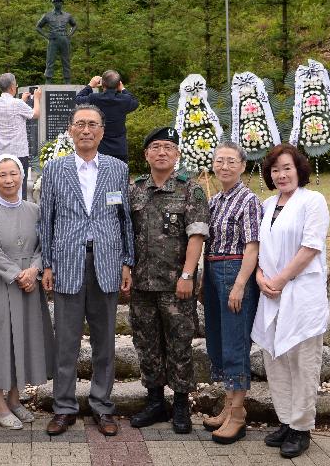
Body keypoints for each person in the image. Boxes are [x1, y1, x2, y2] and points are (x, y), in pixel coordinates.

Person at [39, 104, 134, 437]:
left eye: (92, 124)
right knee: (66, 341)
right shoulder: (54, 169)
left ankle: (102, 406)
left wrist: (127, 261)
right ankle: (64, 406)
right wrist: (47, 264)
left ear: (102, 131)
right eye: (80, 124)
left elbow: (125, 221)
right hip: (67, 263)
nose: (86, 130)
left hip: (106, 261)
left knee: (104, 341)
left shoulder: (118, 169)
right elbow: (45, 221)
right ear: (70, 130)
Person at [128, 127, 209, 434]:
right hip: (141, 285)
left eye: (168, 148)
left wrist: (188, 274)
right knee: (146, 345)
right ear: (146, 154)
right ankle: (154, 402)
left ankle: (180, 405)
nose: (161, 152)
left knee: (179, 346)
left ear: (177, 155)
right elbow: (126, 234)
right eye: (155, 147)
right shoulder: (134, 189)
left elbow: (197, 233)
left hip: (177, 285)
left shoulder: (191, 189)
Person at [252, 143, 330, 459]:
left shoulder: (313, 201)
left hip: (300, 294)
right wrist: (260, 277)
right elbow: (259, 246)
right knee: (276, 359)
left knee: (303, 362)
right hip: (270, 293)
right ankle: (285, 420)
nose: (281, 174)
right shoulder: (268, 204)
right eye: (275, 169)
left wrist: (281, 280)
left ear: (299, 169)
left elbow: (310, 246)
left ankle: (301, 427)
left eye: (287, 168)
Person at [0, 155, 54, 429]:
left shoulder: (34, 210)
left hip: (29, 283)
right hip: (1, 282)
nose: (9, 180)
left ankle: (14, 398)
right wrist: (16, 275)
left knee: (21, 339)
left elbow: (44, 244)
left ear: (21, 176)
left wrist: (34, 269)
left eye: (13, 174)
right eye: (2, 175)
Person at [202, 142, 262, 444]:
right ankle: (227, 406)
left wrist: (240, 284)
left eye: (230, 161)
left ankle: (238, 414)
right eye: (219, 160)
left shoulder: (248, 200)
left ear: (242, 166)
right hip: (212, 272)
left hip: (234, 272)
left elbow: (253, 247)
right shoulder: (215, 201)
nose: (224, 166)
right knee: (220, 340)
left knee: (236, 341)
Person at [0, 73, 42, 198]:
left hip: (1, 151)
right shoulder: (17, 104)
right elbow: (35, 114)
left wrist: (21, 100)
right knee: (19, 186)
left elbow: (12, 110)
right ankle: (19, 211)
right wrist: (36, 98)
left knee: (4, 184)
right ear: (13, 87)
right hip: (18, 152)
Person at [74, 70, 139, 163]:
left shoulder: (94, 98)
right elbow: (135, 102)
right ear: (118, 85)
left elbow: (78, 99)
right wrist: (123, 89)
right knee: (121, 176)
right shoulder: (125, 100)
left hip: (99, 148)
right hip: (119, 148)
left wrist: (90, 85)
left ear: (102, 84)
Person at [36, 0, 77, 83]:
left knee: (66, 60)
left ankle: (67, 80)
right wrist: (46, 36)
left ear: (62, 2)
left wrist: (69, 35)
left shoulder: (67, 15)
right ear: (53, 3)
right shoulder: (47, 15)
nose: (58, 3)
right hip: (53, 40)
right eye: (56, 1)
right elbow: (38, 27)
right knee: (50, 60)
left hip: (64, 39)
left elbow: (74, 25)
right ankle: (48, 79)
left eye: (59, 1)